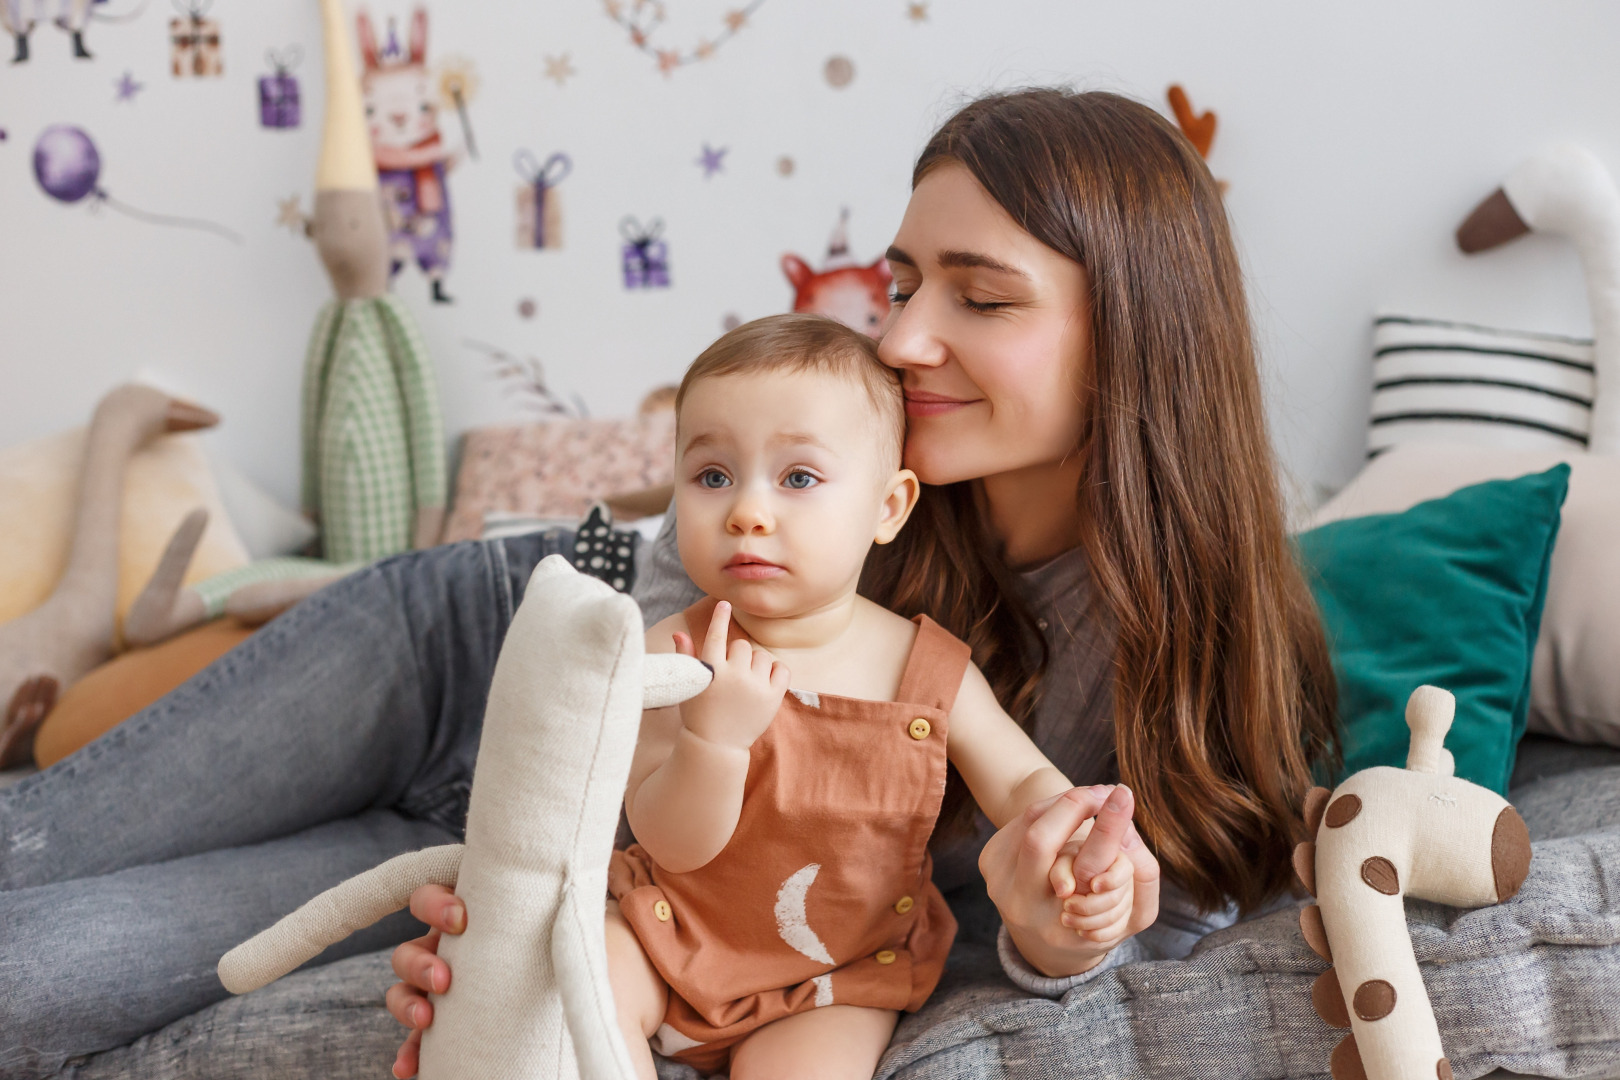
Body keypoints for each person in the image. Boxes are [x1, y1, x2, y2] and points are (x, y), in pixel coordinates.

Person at [0, 88, 1323, 1078]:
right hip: (463, 655)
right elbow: (634, 580)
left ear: (1140, 339)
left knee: (36, 975)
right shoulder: (855, 467)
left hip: (538, 824)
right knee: (35, 841)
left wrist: (1058, 930)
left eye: (980, 298)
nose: (903, 335)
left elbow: (1093, 930)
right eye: (907, 280)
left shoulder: (1174, 657)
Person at [597, 314, 1140, 1076]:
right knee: (581, 989)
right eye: (712, 476)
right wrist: (710, 744)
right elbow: (669, 842)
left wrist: (1075, 842)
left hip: (835, 972)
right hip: (666, 931)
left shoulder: (926, 668)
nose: (746, 511)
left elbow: (1019, 780)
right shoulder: (671, 653)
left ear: (888, 508)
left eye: (798, 478)